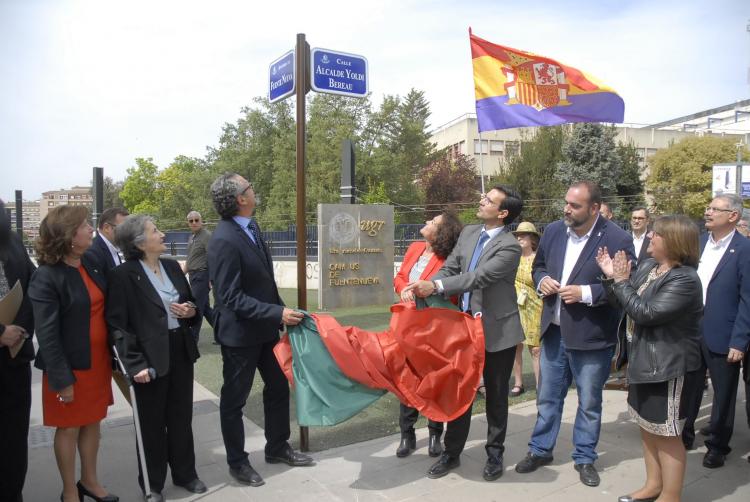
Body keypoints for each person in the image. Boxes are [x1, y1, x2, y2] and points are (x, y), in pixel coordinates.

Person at [514, 181, 635, 488]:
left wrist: (586, 292)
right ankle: (540, 450)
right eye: (566, 202)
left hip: (592, 336)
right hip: (554, 332)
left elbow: (625, 286)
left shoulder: (617, 237)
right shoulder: (554, 231)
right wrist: (542, 281)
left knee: (590, 402)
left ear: (594, 208)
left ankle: (584, 457)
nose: (567, 209)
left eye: (575, 205)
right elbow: (538, 266)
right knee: (548, 398)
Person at [404, 185, 525, 482]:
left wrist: (437, 287)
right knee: (459, 394)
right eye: (483, 197)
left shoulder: (510, 246)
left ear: (503, 212)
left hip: (497, 332)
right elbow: (451, 268)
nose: (480, 201)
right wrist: (428, 283)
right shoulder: (470, 233)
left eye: (488, 200)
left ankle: (495, 454)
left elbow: (478, 277)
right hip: (462, 330)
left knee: (496, 396)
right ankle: (451, 453)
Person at [207, 173, 312, 487]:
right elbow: (229, 297)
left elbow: (263, 282)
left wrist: (278, 312)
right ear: (240, 198)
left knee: (278, 389)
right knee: (234, 401)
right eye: (249, 187)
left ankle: (277, 447)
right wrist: (278, 311)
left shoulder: (251, 227)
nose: (254, 189)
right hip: (239, 335)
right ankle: (238, 463)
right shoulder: (224, 238)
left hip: (265, 330)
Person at [597, 215, 703, 502]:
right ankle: (653, 485)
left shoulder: (685, 279)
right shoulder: (649, 267)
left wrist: (620, 281)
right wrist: (611, 277)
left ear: (673, 241)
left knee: (667, 434)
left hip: (668, 367)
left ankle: (671, 495)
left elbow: (647, 312)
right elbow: (623, 303)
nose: (650, 238)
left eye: (656, 234)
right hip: (643, 362)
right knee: (648, 426)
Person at [106, 215, 206, 501]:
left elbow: (190, 303)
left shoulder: (173, 267)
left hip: (179, 350)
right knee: (150, 424)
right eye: (155, 231)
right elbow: (118, 325)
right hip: (147, 357)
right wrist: (134, 363)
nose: (162, 234)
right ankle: (152, 485)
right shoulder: (122, 275)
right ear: (139, 242)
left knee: (180, 417)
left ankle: (186, 474)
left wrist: (190, 310)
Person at [28, 206, 118, 502]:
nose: (91, 229)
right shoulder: (46, 277)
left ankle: (89, 482)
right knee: (68, 428)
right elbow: (48, 335)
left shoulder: (90, 262)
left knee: (93, 422)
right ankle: (69, 491)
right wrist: (61, 378)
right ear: (68, 236)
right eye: (84, 226)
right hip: (69, 368)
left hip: (97, 364)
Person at [681, 194, 750, 468]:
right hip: (690, 330)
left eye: (715, 209)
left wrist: (739, 340)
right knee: (689, 387)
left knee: (723, 394)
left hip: (723, 333)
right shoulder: (697, 244)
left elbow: (747, 299)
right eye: (708, 207)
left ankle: (718, 445)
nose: (708, 212)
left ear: (732, 216)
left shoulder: (744, 249)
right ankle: (684, 434)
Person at [393, 210, 463, 459]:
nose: (426, 222)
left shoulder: (450, 258)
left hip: (435, 328)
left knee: (434, 381)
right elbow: (401, 276)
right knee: (406, 380)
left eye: (432, 222)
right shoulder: (414, 248)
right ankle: (407, 433)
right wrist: (404, 289)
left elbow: (451, 291)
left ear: (441, 233)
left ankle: (435, 433)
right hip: (407, 324)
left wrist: (426, 292)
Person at [0, 199, 36, 502]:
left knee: (13, 437)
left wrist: (19, 330)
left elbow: (33, 284)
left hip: (14, 357)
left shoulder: (12, 243)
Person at [509, 222, 542, 396]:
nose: (520, 237)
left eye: (524, 234)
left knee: (535, 348)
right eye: (518, 235)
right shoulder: (512, 259)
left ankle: (540, 384)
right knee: (516, 346)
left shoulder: (539, 259)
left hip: (534, 306)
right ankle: (518, 383)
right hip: (515, 306)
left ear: (532, 239)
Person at [184, 210, 213, 342]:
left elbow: (213, 257)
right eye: (191, 221)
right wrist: (181, 274)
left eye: (197, 220)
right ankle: (222, 332)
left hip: (202, 275)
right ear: (188, 223)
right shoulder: (192, 237)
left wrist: (211, 278)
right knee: (205, 308)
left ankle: (192, 339)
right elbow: (190, 259)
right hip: (193, 276)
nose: (194, 223)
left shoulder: (206, 236)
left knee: (197, 308)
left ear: (201, 221)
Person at [84, 207, 129, 279]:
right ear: (107, 228)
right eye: (124, 228)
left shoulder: (114, 248)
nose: (128, 232)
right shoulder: (93, 253)